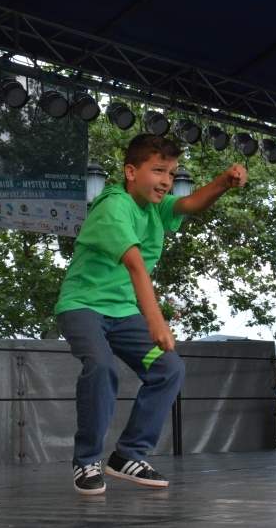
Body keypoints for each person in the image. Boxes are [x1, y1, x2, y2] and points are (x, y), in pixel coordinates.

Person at [55, 134, 247, 495]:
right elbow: (135, 266)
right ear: (130, 171)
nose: (165, 181)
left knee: (168, 369)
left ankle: (128, 454)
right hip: (83, 306)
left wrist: (223, 181)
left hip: (123, 313)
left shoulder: (154, 208)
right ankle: (86, 460)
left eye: (171, 173)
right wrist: (156, 320)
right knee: (100, 366)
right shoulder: (114, 206)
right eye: (158, 170)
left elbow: (191, 202)